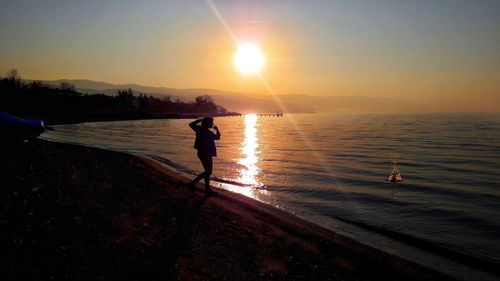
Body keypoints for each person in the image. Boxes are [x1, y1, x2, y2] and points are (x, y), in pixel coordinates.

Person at [187, 117, 221, 195]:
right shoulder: (209, 133)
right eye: (211, 123)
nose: (212, 124)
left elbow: (191, 124)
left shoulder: (199, 129)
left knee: (207, 171)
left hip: (202, 152)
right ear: (208, 123)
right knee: (208, 171)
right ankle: (195, 184)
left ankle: (206, 188)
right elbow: (218, 137)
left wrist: (200, 120)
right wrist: (217, 129)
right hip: (206, 153)